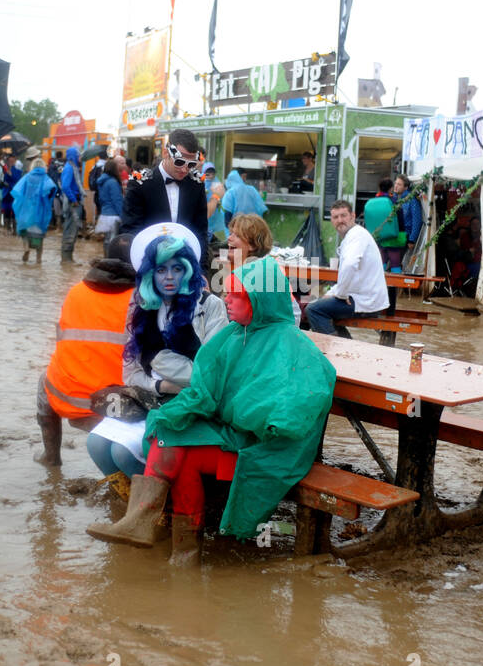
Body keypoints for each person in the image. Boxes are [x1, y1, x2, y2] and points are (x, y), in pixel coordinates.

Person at [88, 256, 335, 566]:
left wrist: (238, 412)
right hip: (232, 433)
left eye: (236, 296)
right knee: (169, 430)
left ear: (260, 301)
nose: (226, 300)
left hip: (268, 449)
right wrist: (184, 410)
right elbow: (206, 389)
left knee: (176, 446)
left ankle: (165, 536)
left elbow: (297, 409)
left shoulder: (295, 347)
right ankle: (180, 549)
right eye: (227, 292)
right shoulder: (235, 336)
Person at [85, 224, 228, 481]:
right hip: (151, 398)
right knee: (95, 444)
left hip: (193, 406)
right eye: (161, 269)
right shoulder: (140, 307)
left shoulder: (210, 305)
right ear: (150, 274)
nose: (169, 277)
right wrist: (161, 385)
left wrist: (159, 360)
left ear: (188, 269)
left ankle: (159, 508)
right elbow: (130, 374)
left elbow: (211, 373)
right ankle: (130, 503)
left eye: (177, 268)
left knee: (122, 452)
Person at [36, 233, 136, 466]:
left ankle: (51, 457)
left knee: (44, 380)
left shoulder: (75, 291)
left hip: (66, 397)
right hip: (116, 405)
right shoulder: (142, 299)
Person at [119, 129, 210, 271]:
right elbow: (131, 230)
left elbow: (200, 231)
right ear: (165, 153)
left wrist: (201, 270)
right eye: (179, 162)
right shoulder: (140, 183)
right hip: (148, 263)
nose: (185, 169)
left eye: (191, 164)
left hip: (185, 265)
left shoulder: (196, 184)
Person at [304, 199, 389, 337]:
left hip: (366, 302)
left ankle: (333, 350)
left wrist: (340, 294)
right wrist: (333, 293)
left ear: (353, 216)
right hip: (363, 298)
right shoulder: (353, 236)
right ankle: (346, 346)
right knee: (317, 304)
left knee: (313, 310)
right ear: (331, 220)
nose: (340, 220)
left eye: (343, 216)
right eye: (335, 217)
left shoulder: (356, 236)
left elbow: (349, 265)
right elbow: (348, 274)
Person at [227, 213, 302, 325]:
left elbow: (283, 314)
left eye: (237, 235)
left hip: (281, 328)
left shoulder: (263, 270)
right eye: (230, 233)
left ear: (253, 244)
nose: (229, 238)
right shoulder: (250, 266)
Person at [11, 150, 58, 264]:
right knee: (39, 236)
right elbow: (52, 189)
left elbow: (17, 191)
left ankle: (26, 248)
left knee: (25, 232)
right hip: (40, 211)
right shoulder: (45, 178)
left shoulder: (27, 177)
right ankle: (38, 259)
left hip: (26, 209)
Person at [362, 177, 403, 270]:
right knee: (395, 263)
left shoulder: (372, 201)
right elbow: (400, 217)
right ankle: (395, 281)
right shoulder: (393, 201)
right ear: (391, 188)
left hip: (378, 236)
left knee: (380, 263)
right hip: (393, 236)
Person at [391, 174, 423, 272]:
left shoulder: (412, 200)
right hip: (393, 235)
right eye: (395, 183)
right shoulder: (394, 198)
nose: (396, 186)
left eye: (399, 184)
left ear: (406, 187)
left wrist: (412, 239)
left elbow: (417, 220)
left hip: (405, 236)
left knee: (397, 263)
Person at [59, 145, 85, 263]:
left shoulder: (72, 167)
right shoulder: (70, 168)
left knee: (72, 229)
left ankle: (68, 258)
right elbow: (65, 186)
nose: (80, 157)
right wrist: (74, 199)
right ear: (74, 156)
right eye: (78, 155)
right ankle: (66, 259)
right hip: (72, 204)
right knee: (71, 229)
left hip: (74, 202)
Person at [94, 158, 124, 244]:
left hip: (104, 214)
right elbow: (117, 201)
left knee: (106, 241)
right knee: (113, 241)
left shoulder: (102, 182)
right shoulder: (113, 182)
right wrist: (122, 216)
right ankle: (110, 257)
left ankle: (105, 257)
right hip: (113, 216)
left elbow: (100, 199)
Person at [204, 162, 227, 245]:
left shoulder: (217, 182)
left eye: (212, 173)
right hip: (205, 211)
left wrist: (219, 200)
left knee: (213, 232)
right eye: (208, 174)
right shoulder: (200, 183)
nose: (211, 176)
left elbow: (222, 195)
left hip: (215, 212)